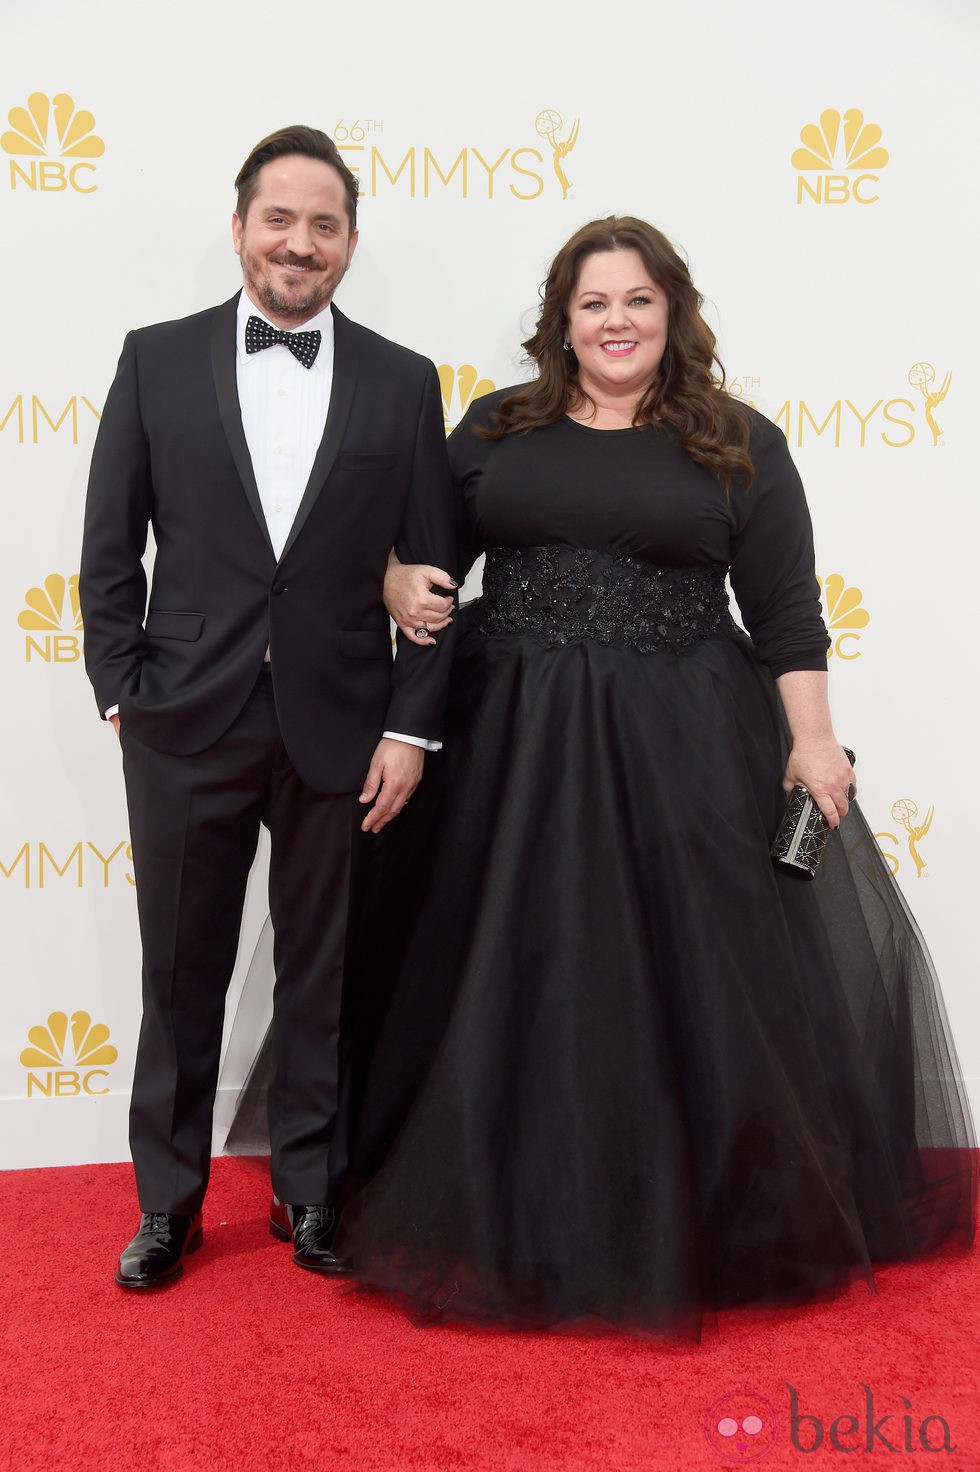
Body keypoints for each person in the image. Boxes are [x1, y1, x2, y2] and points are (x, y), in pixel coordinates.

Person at [326, 216, 976, 1336]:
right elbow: (417, 554)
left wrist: (811, 741)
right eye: (592, 303)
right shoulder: (491, 428)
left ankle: (695, 1213)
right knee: (508, 969)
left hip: (685, 736)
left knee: (693, 983)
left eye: (635, 299)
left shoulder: (737, 440)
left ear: (669, 311)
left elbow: (783, 610)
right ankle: (497, 1205)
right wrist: (389, 582)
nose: (615, 320)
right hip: (505, 746)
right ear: (560, 323)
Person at [78, 125, 456, 1290]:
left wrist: (409, 725)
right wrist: (121, 691)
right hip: (184, 718)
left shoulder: (401, 380)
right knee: (178, 972)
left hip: (341, 723)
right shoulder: (153, 358)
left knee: (323, 970)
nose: (301, 242)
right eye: (278, 218)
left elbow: (434, 576)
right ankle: (167, 1202)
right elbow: (108, 548)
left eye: (325, 224)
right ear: (239, 226)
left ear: (350, 242)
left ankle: (308, 1189)